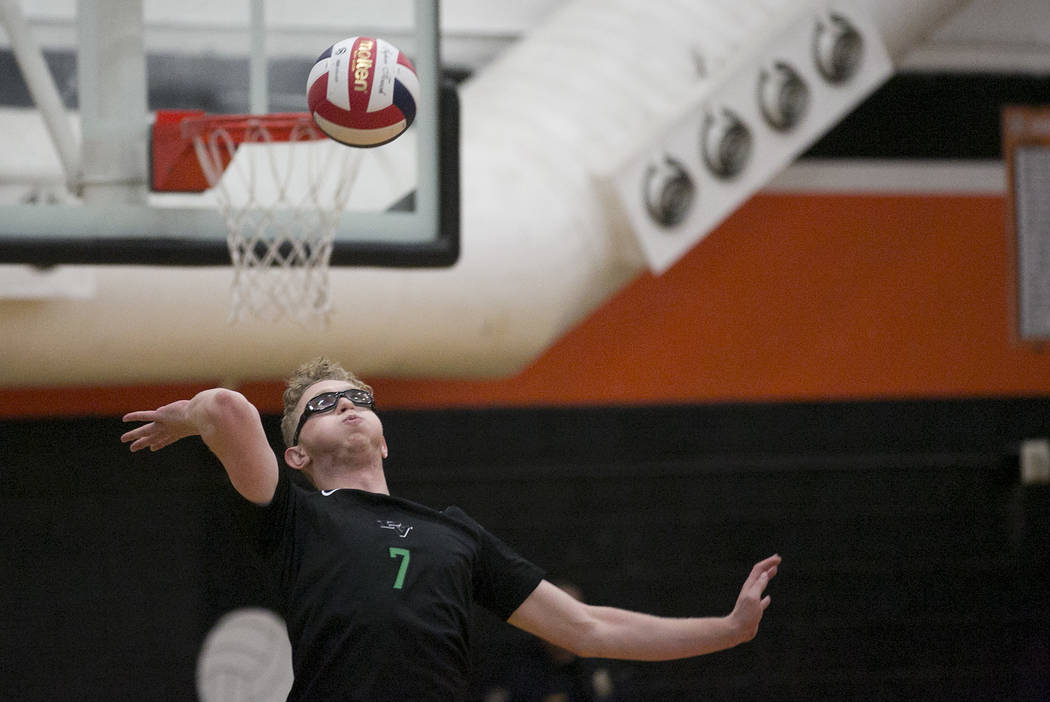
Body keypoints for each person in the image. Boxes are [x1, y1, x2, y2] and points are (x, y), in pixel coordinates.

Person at [121, 357, 780, 702]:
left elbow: (590, 629)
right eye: (321, 406)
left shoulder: (453, 536)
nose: (346, 405)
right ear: (297, 455)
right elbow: (230, 408)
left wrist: (726, 630)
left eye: (356, 399)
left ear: (384, 439)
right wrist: (193, 415)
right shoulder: (294, 514)